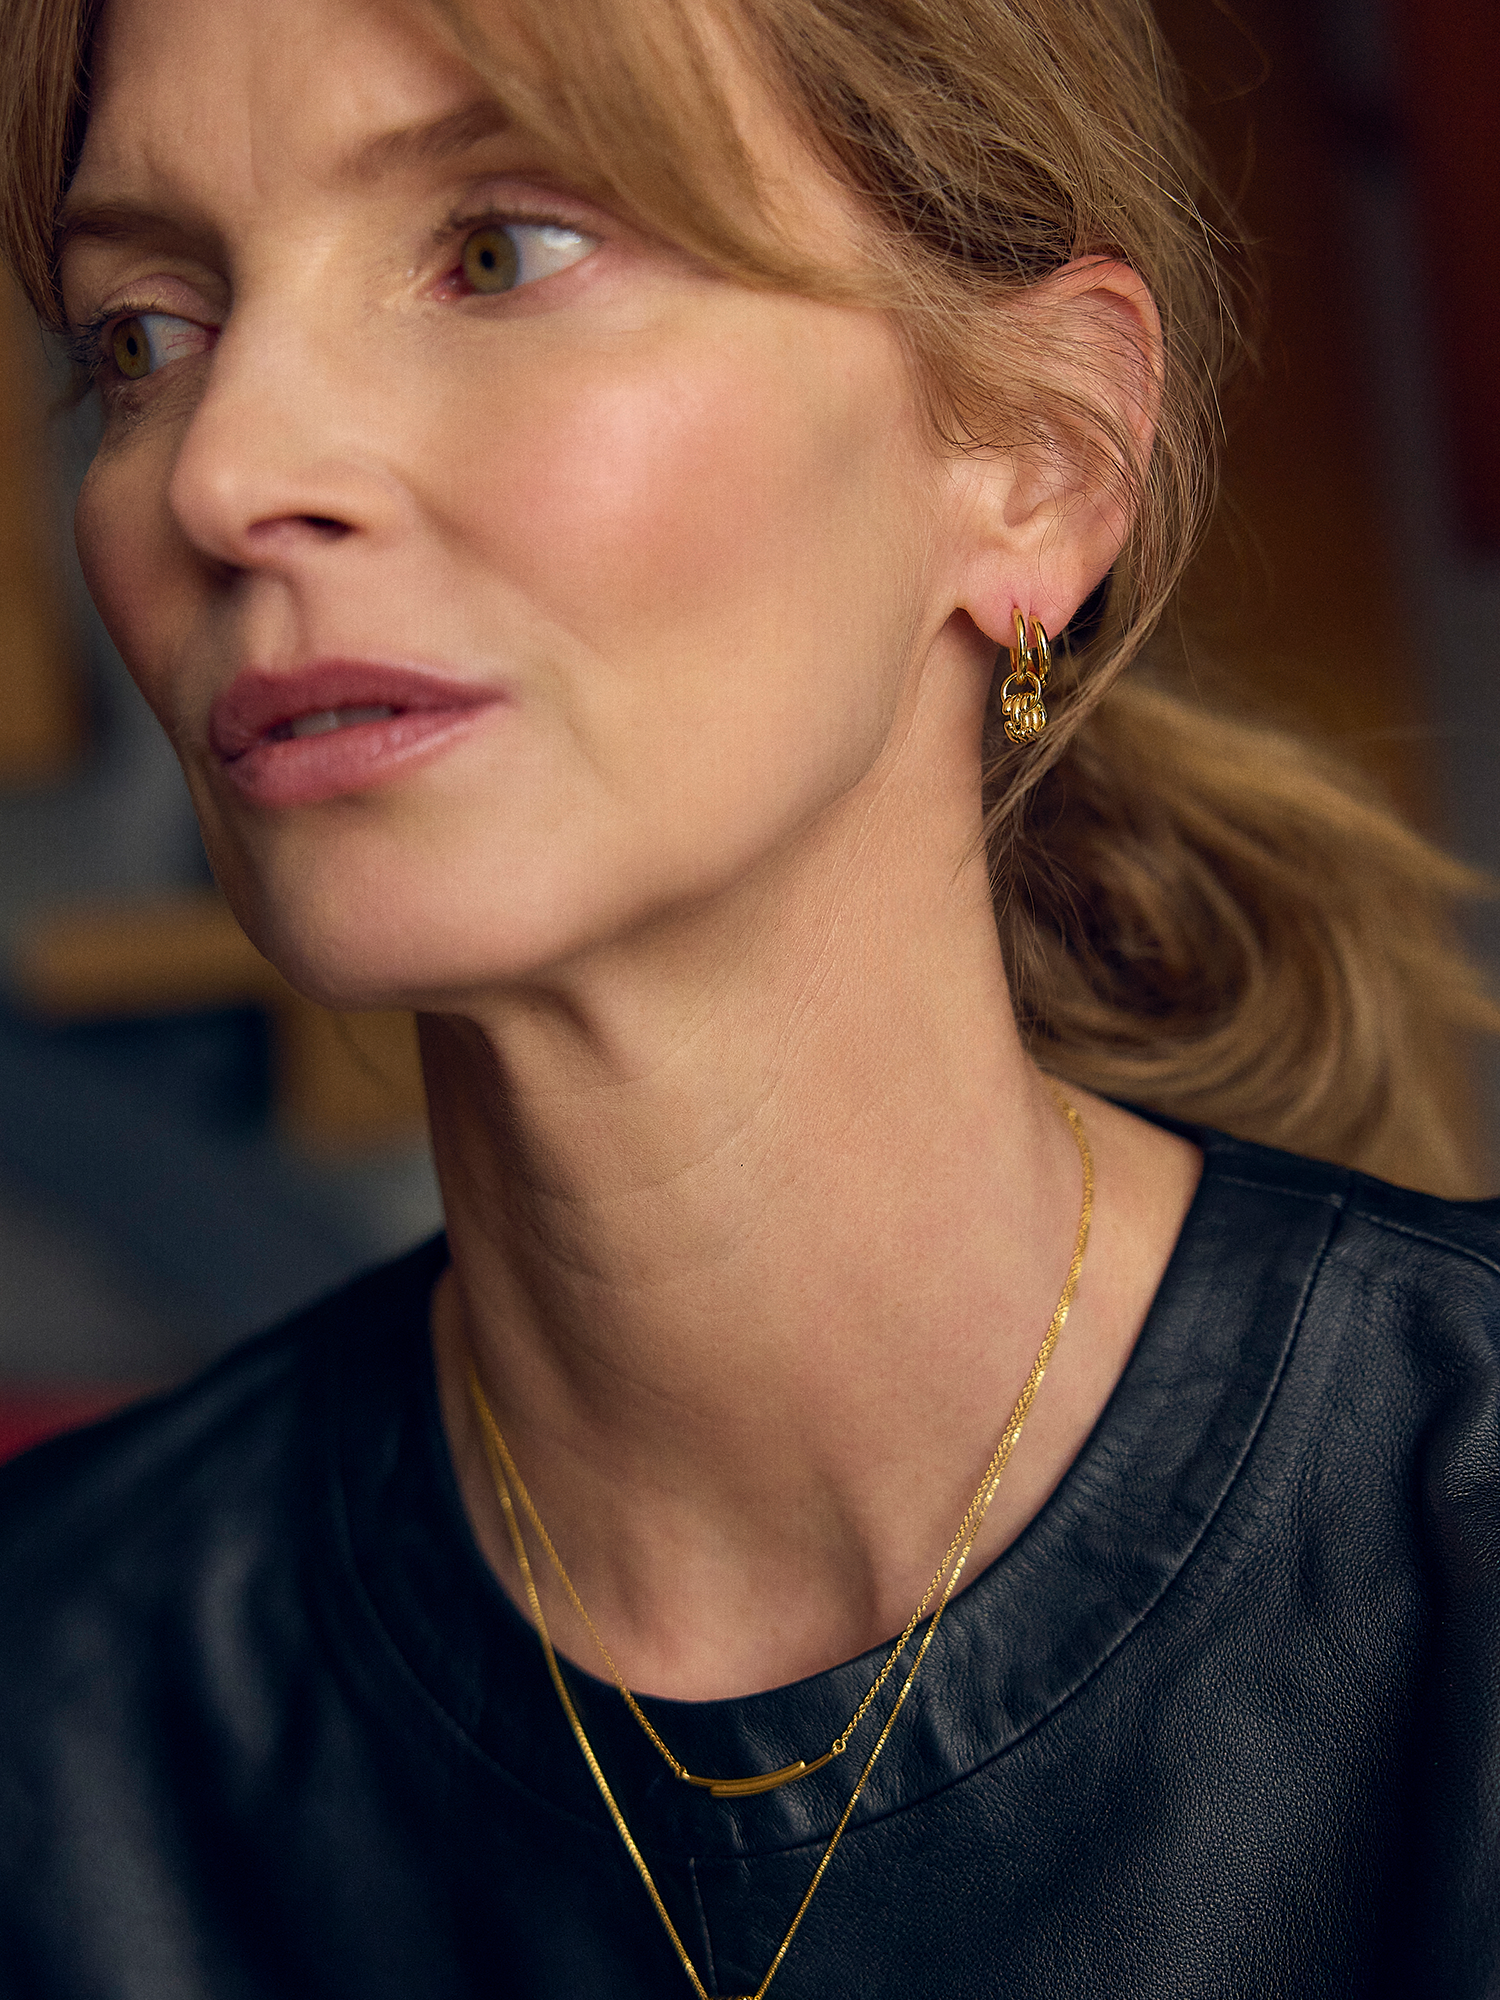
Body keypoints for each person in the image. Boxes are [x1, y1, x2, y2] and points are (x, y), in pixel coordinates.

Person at [0, 0, 1496, 1993]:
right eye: (146, 334)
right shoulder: (54, 1720)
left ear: (1037, 456)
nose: (224, 471)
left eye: (499, 249)